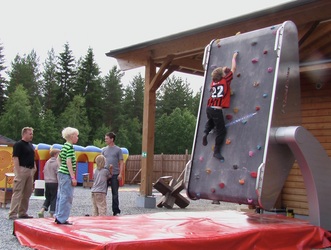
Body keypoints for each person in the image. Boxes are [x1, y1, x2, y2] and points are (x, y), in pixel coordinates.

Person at [202, 51, 239, 161]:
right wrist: (234, 57)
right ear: (222, 75)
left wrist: (222, 70)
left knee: (211, 121)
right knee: (221, 131)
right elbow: (233, 69)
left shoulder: (213, 83)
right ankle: (216, 151)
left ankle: (206, 131)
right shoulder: (225, 81)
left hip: (209, 108)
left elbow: (218, 74)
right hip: (217, 110)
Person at [8, 127, 37, 220]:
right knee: (18, 191)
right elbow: (15, 158)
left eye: (32, 134)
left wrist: (34, 167)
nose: (31, 135)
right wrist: (18, 171)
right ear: (24, 134)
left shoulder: (30, 145)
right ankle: (13, 213)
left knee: (27, 192)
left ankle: (22, 212)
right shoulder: (18, 144)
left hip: (30, 170)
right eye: (30, 134)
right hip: (22, 169)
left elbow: (32, 156)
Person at [55, 127, 79, 225]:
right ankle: (62, 218)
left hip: (62, 173)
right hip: (66, 174)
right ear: (71, 136)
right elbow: (69, 161)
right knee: (67, 196)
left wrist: (61, 168)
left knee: (61, 194)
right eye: (76, 136)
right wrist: (72, 177)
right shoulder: (69, 147)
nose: (77, 138)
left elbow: (58, 159)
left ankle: (58, 215)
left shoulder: (64, 146)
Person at [102, 132, 124, 216]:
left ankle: (116, 211)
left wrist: (120, 174)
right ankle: (102, 210)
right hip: (105, 174)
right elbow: (101, 161)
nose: (105, 140)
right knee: (103, 192)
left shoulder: (118, 150)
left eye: (107, 138)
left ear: (112, 139)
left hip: (115, 174)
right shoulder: (103, 150)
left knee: (115, 193)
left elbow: (121, 162)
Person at [38, 148, 60, 218]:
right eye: (59, 154)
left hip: (47, 182)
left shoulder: (47, 162)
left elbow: (44, 171)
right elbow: (58, 173)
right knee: (54, 197)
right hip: (54, 182)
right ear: (55, 154)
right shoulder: (57, 162)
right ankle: (52, 213)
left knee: (48, 197)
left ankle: (42, 210)